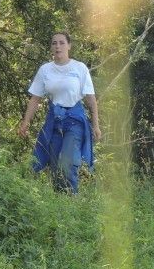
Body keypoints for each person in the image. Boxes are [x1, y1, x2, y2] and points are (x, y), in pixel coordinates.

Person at [18, 32, 101, 194]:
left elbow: (91, 99)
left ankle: (72, 198)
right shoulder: (45, 70)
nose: (58, 46)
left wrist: (96, 125)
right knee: (56, 166)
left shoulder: (79, 68)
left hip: (74, 120)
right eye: (54, 43)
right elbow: (35, 99)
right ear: (51, 47)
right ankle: (61, 202)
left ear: (69, 46)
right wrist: (26, 122)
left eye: (62, 43)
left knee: (67, 163)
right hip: (54, 121)